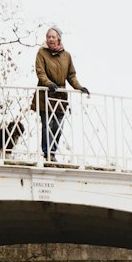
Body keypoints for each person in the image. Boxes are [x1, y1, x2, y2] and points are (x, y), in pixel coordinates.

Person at [32, 26, 89, 163]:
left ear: (58, 38)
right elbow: (40, 72)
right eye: (48, 37)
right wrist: (48, 83)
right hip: (46, 93)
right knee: (47, 124)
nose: (50, 39)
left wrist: (79, 87)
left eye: (53, 37)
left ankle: (53, 150)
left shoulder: (66, 55)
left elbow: (71, 75)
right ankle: (47, 153)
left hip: (61, 95)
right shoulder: (41, 53)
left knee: (58, 125)